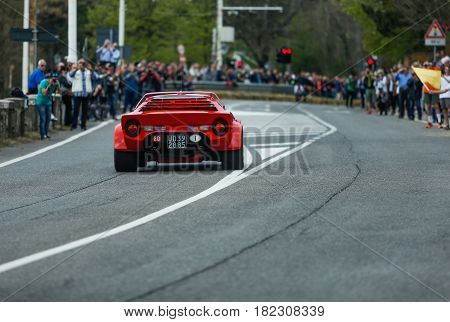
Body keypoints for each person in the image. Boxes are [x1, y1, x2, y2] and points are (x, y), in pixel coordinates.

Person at [69, 58, 96, 130]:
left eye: (83, 63)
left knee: (85, 110)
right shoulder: (75, 71)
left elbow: (95, 78)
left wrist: (91, 69)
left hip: (86, 94)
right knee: (76, 110)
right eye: (80, 63)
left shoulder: (88, 72)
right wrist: (76, 68)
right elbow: (70, 75)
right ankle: (74, 125)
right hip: (77, 93)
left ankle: (83, 125)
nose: (82, 65)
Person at [36, 71, 60, 139]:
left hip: (48, 102)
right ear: (50, 78)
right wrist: (49, 85)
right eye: (53, 79)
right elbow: (44, 93)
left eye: (56, 78)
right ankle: (42, 135)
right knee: (43, 119)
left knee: (48, 119)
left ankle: (46, 134)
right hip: (41, 102)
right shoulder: (44, 82)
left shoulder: (56, 82)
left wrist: (58, 87)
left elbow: (60, 92)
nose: (54, 80)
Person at [423, 61, 442, 128]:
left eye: (427, 64)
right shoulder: (424, 70)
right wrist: (425, 67)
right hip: (427, 90)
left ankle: (439, 122)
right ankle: (430, 122)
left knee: (436, 105)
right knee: (428, 106)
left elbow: (438, 75)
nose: (426, 65)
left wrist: (430, 67)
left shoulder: (435, 69)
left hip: (434, 90)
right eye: (425, 65)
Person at [430, 65, 450, 130]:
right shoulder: (440, 78)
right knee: (444, 111)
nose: (447, 70)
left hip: (448, 96)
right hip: (442, 96)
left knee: (449, 110)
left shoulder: (447, 78)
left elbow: (445, 90)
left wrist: (433, 92)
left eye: (448, 69)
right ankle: (447, 125)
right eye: (446, 69)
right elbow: (437, 85)